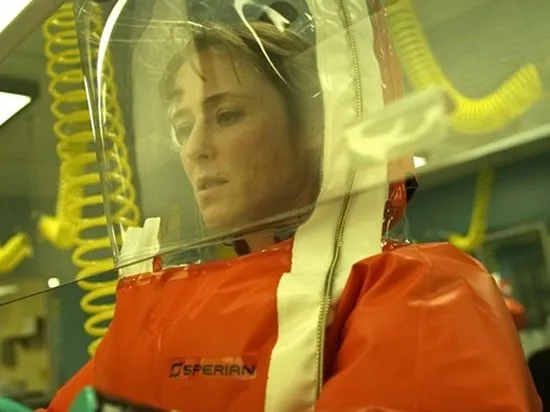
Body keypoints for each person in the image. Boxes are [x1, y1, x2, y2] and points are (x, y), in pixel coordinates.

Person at [42, 1, 540, 411]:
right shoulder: (169, 304)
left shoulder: (423, 292)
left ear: (314, 127)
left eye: (227, 115)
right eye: (182, 126)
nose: (194, 149)